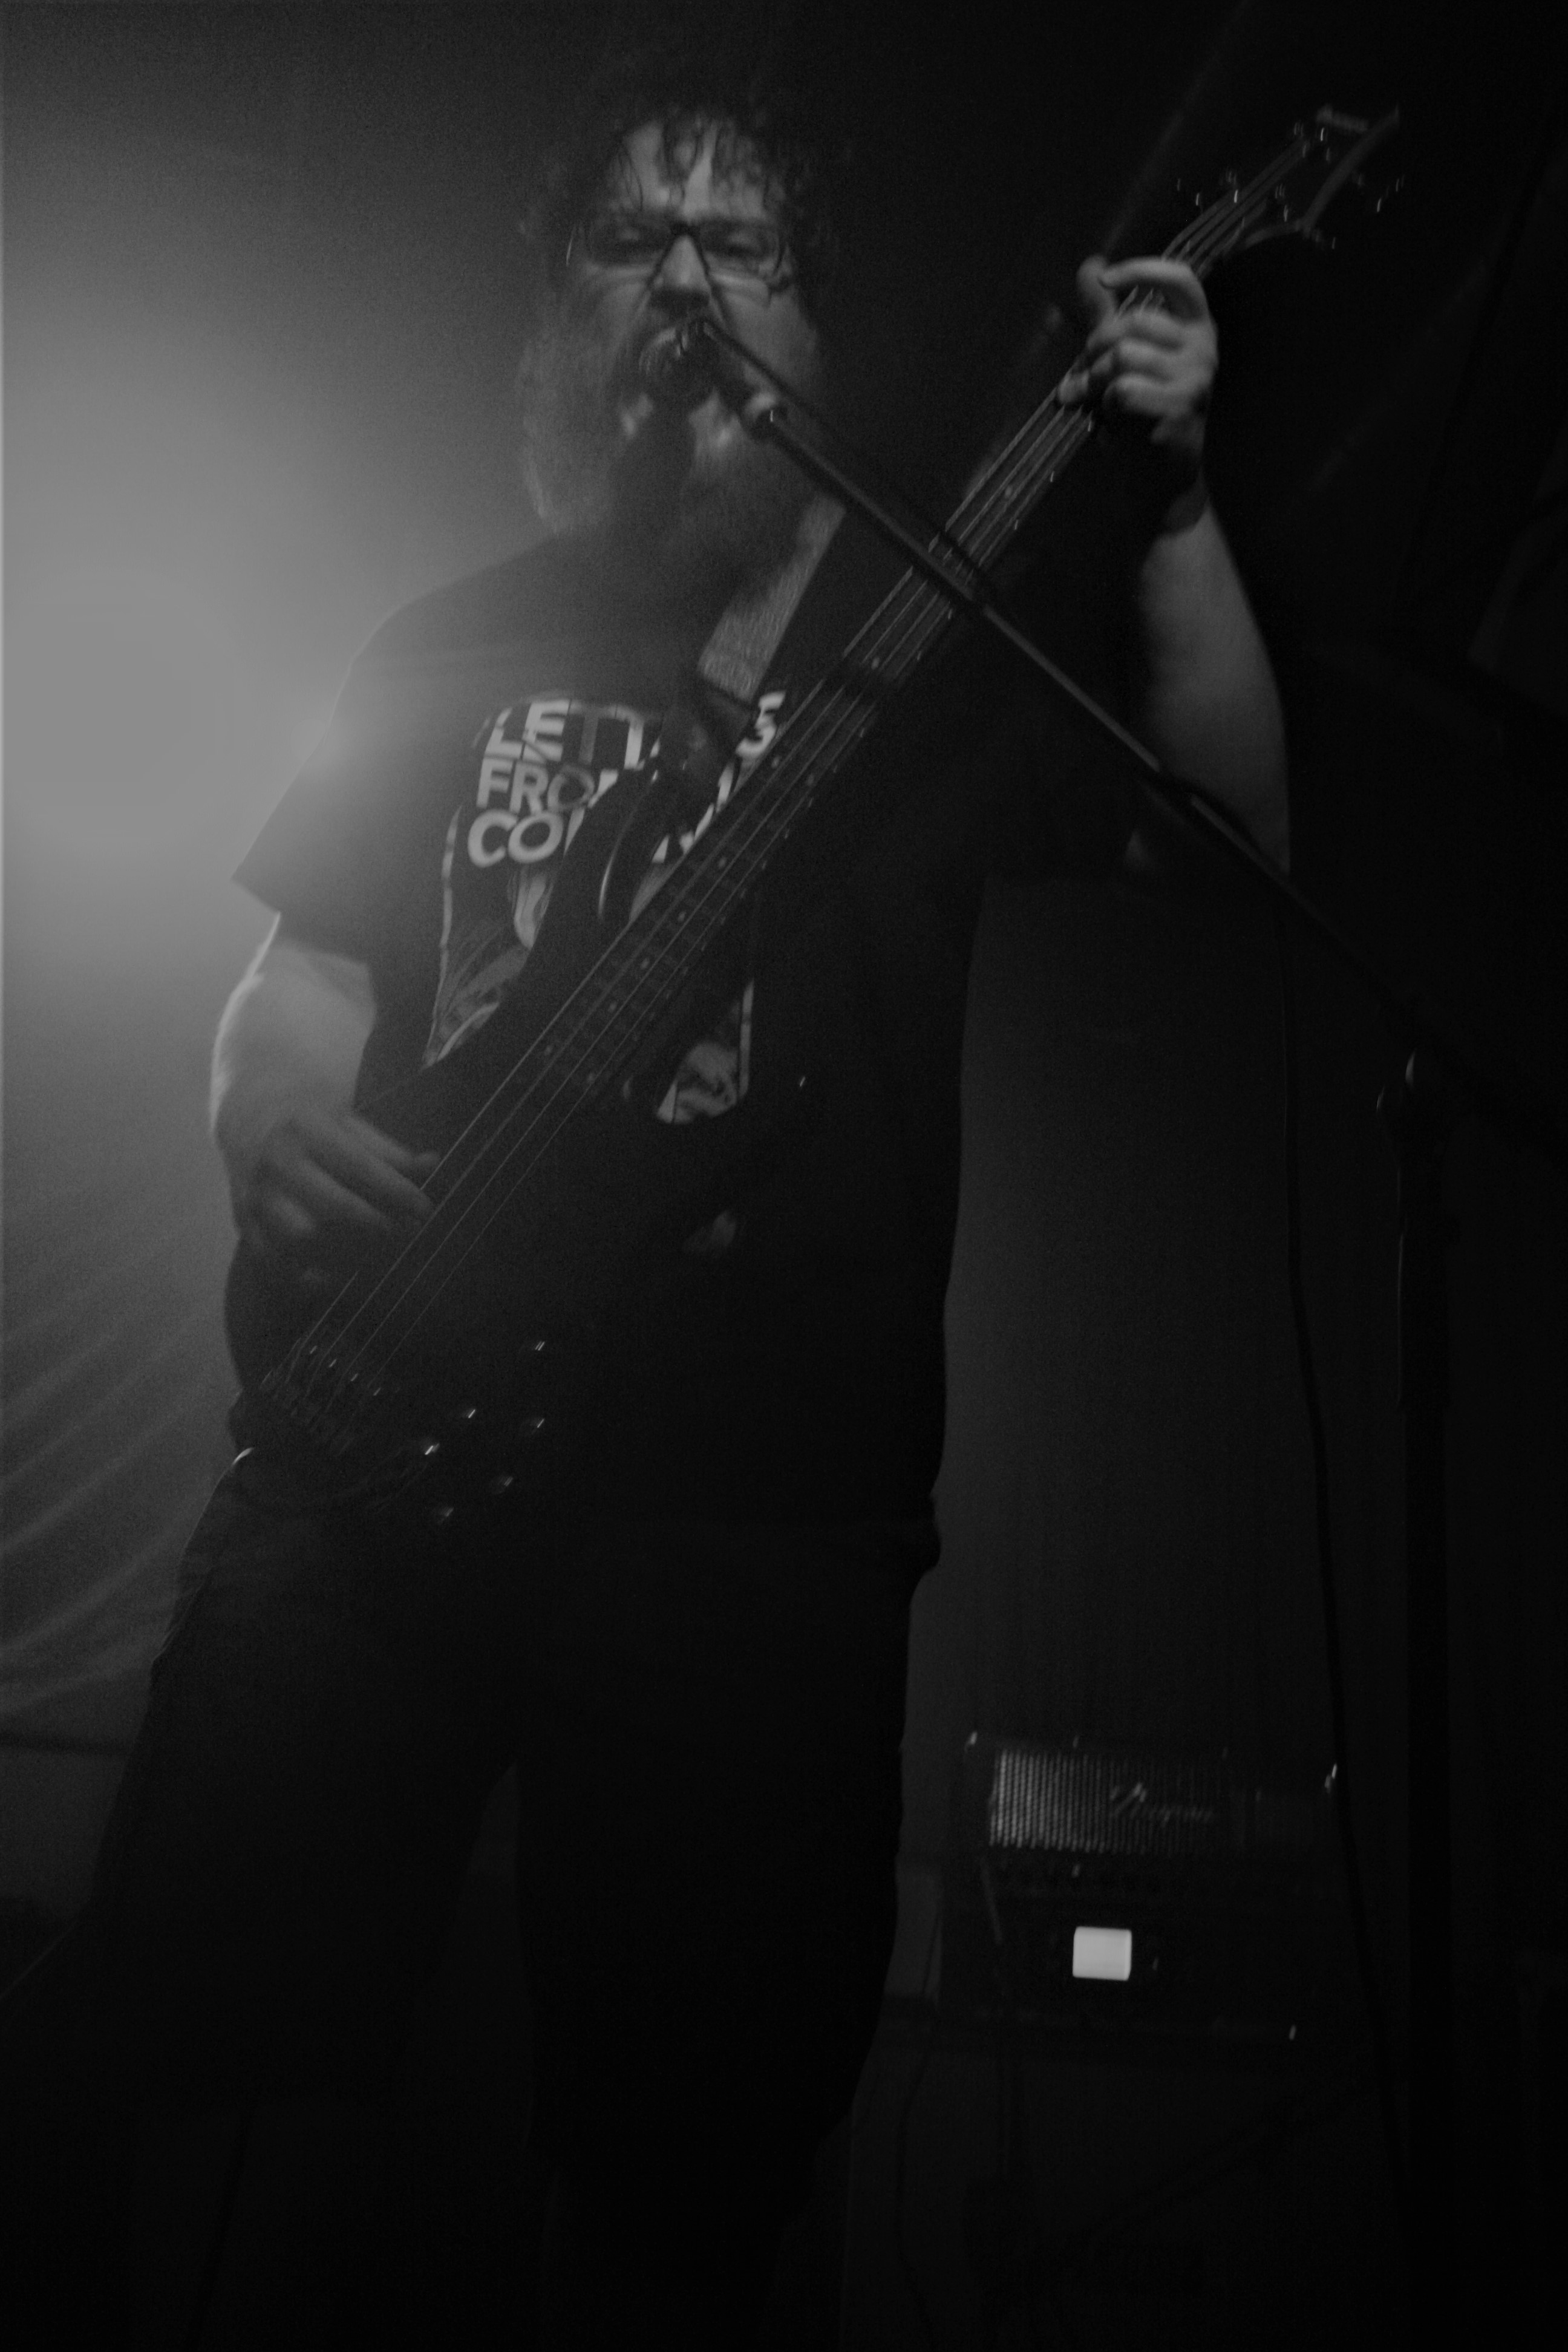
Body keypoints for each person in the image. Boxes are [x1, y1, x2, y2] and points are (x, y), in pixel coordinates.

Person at [8, 51, 1287, 2352]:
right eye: (631, 239)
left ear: (810, 327)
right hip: (374, 1452)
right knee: (218, 2055)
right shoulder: (447, 640)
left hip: (750, 1517)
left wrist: (1176, 504)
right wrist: (265, 1120)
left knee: (684, 2165)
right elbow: (303, 971)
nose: (684, 278)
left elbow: (1233, 846)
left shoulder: (936, 644)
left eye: (739, 244)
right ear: (554, 328)